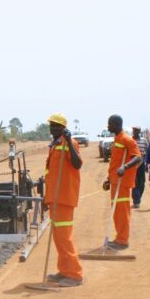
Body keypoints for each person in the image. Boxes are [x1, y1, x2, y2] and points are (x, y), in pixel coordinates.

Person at [44, 114, 84, 287]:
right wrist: (46, 197)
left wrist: (69, 141)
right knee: (58, 238)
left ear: (63, 128)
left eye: (56, 126)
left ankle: (75, 275)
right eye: (51, 125)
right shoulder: (54, 145)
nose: (52, 128)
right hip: (54, 197)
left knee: (64, 237)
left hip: (64, 197)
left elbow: (77, 164)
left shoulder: (70, 143)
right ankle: (64, 270)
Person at [102, 115, 142, 250]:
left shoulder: (127, 139)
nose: (108, 126)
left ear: (116, 124)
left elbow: (138, 157)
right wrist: (109, 180)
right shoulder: (117, 139)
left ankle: (123, 240)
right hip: (115, 181)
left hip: (122, 182)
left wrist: (125, 167)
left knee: (122, 212)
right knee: (116, 212)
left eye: (109, 124)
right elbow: (115, 163)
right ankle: (119, 238)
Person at [131, 126, 149, 208]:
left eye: (137, 130)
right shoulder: (130, 140)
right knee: (134, 182)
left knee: (142, 182)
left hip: (142, 164)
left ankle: (138, 197)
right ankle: (136, 200)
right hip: (132, 164)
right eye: (134, 130)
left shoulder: (144, 141)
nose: (135, 132)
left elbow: (147, 152)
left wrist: (147, 164)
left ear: (139, 131)